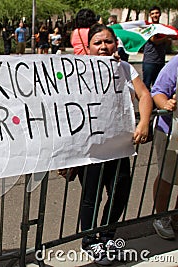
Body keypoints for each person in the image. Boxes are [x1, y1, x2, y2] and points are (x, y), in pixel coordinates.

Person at [75, 23, 152, 265]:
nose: (103, 47)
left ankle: (108, 237)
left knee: (120, 192)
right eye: (97, 42)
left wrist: (144, 123)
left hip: (119, 147)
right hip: (91, 149)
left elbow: (145, 95)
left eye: (108, 41)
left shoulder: (125, 69)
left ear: (115, 44)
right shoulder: (77, 72)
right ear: (88, 47)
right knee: (92, 196)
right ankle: (89, 241)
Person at [151, 55, 178, 240]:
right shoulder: (176, 63)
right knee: (167, 176)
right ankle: (161, 217)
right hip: (170, 131)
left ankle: (176, 215)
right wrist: (166, 103)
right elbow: (158, 91)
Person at [142, 6, 172, 90]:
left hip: (160, 61)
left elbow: (167, 43)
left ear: (160, 14)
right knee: (146, 86)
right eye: (152, 13)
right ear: (150, 15)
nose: (155, 15)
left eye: (157, 13)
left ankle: (155, 103)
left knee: (158, 85)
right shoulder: (148, 28)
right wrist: (166, 37)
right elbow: (154, 41)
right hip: (149, 61)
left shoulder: (163, 28)